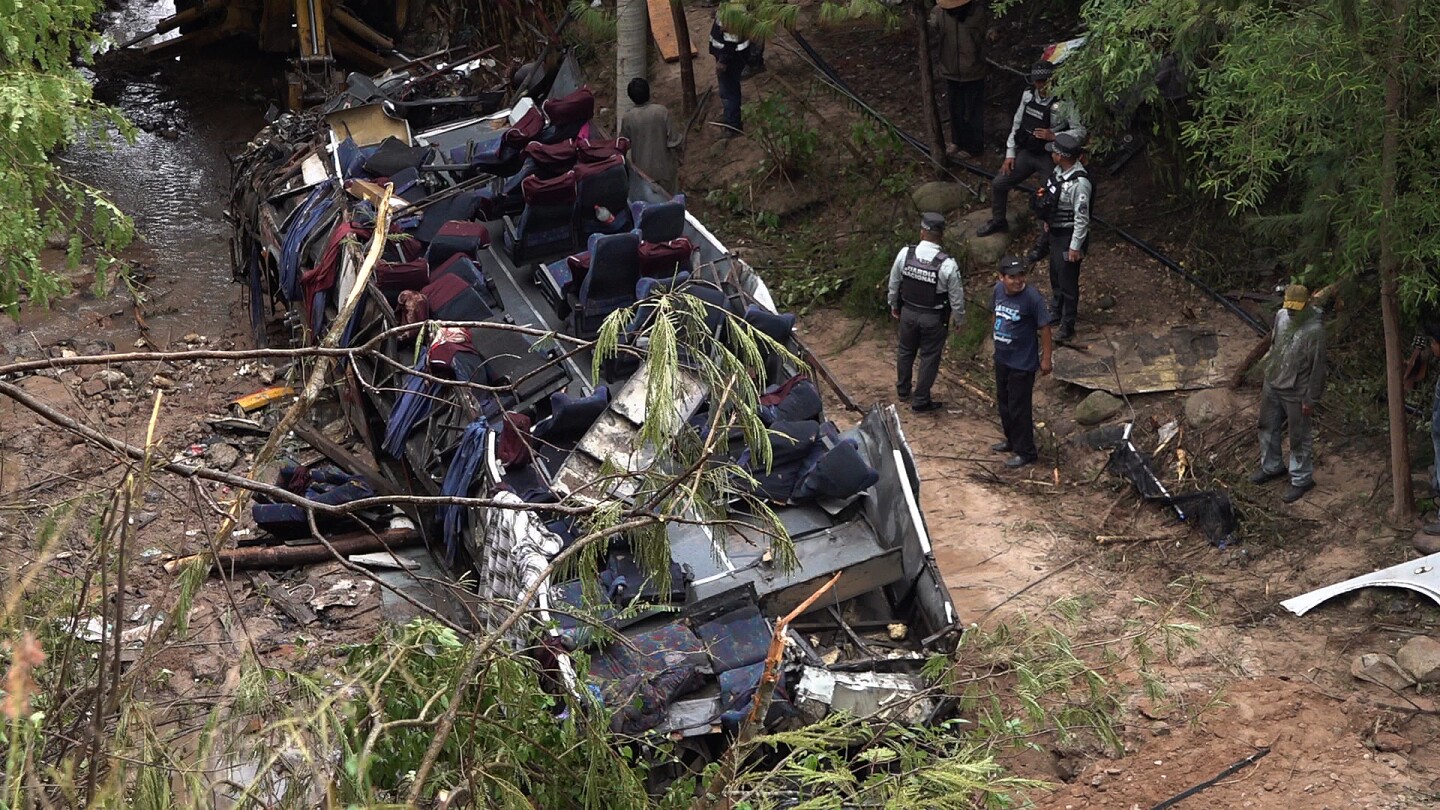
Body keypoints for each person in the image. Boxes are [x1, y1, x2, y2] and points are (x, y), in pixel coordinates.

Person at [976, 60, 1086, 237]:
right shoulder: (1028, 95)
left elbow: (1080, 131)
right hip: (1027, 151)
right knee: (999, 183)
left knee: (1050, 195)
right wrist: (1010, 154)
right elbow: (1017, 124)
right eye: (1037, 81)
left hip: (1050, 155)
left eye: (1044, 81)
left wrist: (1054, 136)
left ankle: (1047, 234)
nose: (1040, 85)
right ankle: (998, 221)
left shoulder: (1065, 100)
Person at [1250, 284, 1327, 503]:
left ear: (1306, 305)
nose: (1292, 311)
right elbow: (1275, 343)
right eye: (1289, 307)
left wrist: (1311, 398)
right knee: (1266, 425)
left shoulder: (1315, 330)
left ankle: (1301, 479)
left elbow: (1317, 368)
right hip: (1273, 382)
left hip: (1296, 389)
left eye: (1296, 308)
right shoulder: (1281, 316)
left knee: (1298, 436)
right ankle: (1271, 466)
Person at [887, 212, 965, 413]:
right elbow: (957, 297)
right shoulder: (948, 264)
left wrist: (893, 304)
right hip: (934, 318)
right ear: (941, 236)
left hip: (909, 312)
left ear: (922, 233)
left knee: (905, 351)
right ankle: (921, 400)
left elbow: (894, 282)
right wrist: (959, 319)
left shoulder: (906, 254)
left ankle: (903, 391)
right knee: (929, 357)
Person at [991, 255, 1052, 468]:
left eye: (1021, 276)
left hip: (1022, 362)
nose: (1017, 281)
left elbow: (1045, 328)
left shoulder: (1032, 298)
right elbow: (995, 314)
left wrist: (1046, 358)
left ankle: (1026, 451)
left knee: (1019, 407)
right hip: (1002, 357)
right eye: (1012, 277)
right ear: (1001, 278)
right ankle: (1012, 440)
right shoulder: (998, 291)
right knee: (1004, 402)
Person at [1034, 132, 1092, 340]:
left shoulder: (1080, 183)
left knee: (1068, 281)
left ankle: (1068, 324)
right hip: (1055, 233)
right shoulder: (1058, 174)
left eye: (1055, 153)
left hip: (1069, 235)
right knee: (1056, 275)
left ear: (1062, 156)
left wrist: (1075, 246)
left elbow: (1081, 217)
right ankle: (1056, 311)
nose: (1052, 156)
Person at [930, 0, 991, 158]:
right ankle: (957, 141)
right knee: (955, 109)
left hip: (973, 70)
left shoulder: (978, 13)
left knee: (973, 112)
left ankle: (974, 146)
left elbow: (988, 32)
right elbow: (932, 26)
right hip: (951, 69)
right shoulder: (939, 13)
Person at [618, 78, 682, 193]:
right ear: (648, 91)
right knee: (670, 201)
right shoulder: (661, 111)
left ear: (631, 97)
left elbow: (623, 144)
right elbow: (674, 140)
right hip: (665, 171)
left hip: (643, 174)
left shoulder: (628, 118)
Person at [709, 14, 750, 137]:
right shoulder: (728, 5)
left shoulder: (732, 10)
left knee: (729, 91)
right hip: (729, 56)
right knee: (726, 90)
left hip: (730, 59)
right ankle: (729, 117)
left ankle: (733, 126)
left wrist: (723, 61)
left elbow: (731, 39)